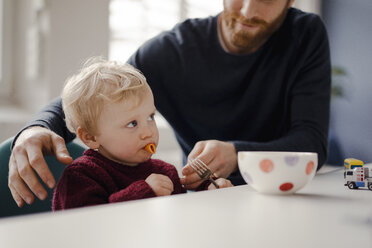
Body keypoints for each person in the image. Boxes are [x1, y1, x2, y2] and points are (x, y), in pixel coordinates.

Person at [8, 0, 331, 207]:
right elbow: (95, 97)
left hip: (284, 200)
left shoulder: (305, 35)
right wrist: (36, 127)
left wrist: (237, 156)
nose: (248, 11)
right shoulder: (171, 52)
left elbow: (311, 142)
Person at [52, 58, 232, 210]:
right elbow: (87, 227)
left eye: (150, 117)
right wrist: (144, 192)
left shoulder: (164, 171)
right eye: (132, 123)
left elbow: (181, 217)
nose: (148, 132)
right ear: (91, 137)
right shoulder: (81, 176)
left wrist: (210, 192)